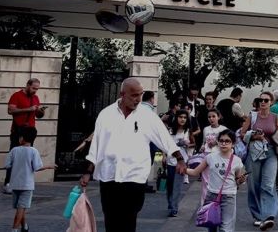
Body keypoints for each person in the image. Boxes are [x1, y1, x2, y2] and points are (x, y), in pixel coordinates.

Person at [79, 78, 188, 232]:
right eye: (134, 95)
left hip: (134, 177)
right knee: (111, 219)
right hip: (109, 176)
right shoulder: (106, 114)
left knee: (129, 219)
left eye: (141, 95)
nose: (138, 99)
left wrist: (180, 159)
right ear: (122, 94)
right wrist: (87, 172)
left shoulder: (147, 115)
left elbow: (165, 138)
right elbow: (96, 145)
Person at [239, 91, 278, 231]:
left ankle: (268, 216)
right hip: (254, 153)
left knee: (268, 184)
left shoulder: (275, 117)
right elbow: (241, 134)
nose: (262, 102)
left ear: (271, 103)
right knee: (254, 185)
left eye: (266, 100)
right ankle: (257, 216)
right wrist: (254, 137)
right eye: (260, 100)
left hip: (270, 153)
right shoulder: (252, 116)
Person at [186, 129, 247, 232]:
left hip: (229, 197)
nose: (223, 143)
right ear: (217, 142)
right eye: (221, 140)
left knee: (226, 229)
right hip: (211, 195)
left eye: (227, 141)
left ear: (233, 144)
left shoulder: (237, 161)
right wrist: (183, 169)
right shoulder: (210, 157)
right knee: (211, 225)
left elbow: (238, 180)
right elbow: (195, 172)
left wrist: (241, 180)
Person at [4, 126, 56, 232]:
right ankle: (14, 229)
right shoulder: (33, 151)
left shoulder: (14, 150)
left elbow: (7, 165)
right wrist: (49, 166)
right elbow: (37, 167)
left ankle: (25, 227)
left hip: (14, 183)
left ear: (21, 138)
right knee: (21, 207)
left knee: (19, 207)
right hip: (27, 185)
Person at [4, 78, 47, 194]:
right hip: (18, 130)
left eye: (37, 89)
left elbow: (38, 116)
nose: (35, 91)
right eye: (33, 88)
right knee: (14, 156)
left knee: (28, 158)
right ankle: (8, 183)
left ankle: (24, 183)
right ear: (27, 85)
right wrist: (29, 109)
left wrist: (40, 111)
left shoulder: (36, 98)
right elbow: (10, 110)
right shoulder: (17, 95)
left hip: (30, 130)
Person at [166, 110, 194, 217]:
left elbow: (193, 144)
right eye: (180, 117)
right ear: (176, 118)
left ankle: (174, 208)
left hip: (182, 162)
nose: (182, 119)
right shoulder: (170, 130)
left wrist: (187, 144)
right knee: (170, 185)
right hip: (170, 161)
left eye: (185, 117)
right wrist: (164, 156)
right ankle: (170, 203)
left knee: (177, 186)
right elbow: (166, 144)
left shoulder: (188, 131)